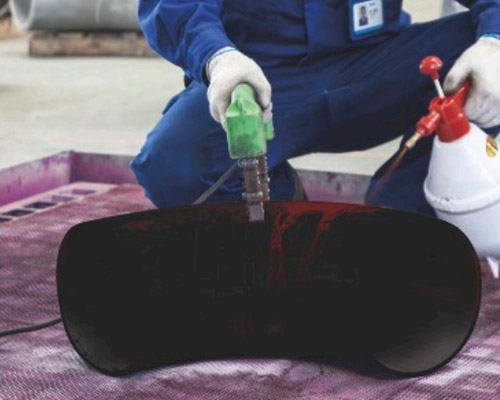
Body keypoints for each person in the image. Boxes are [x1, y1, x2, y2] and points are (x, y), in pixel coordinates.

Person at [132, 0, 500, 217]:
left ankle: (402, 217)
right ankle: (290, 218)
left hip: (382, 66)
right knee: (175, 165)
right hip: (263, 76)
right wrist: (218, 57)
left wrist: (494, 39)